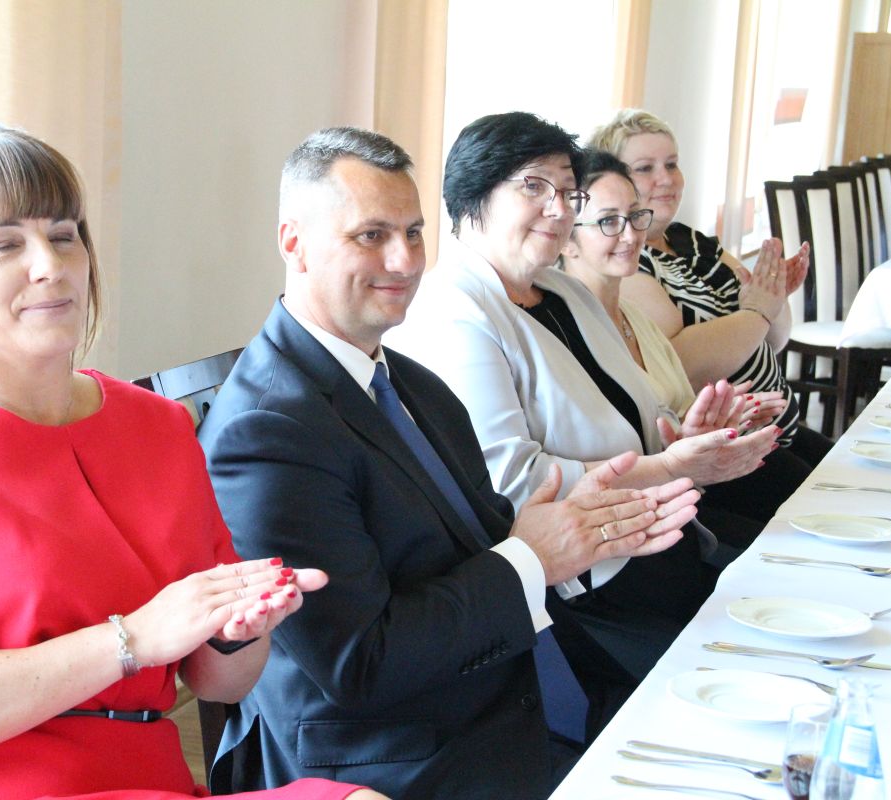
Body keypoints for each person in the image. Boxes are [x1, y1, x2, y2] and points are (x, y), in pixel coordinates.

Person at [0, 120, 384, 800]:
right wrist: (131, 638)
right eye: (4, 244)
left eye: (63, 235)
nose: (49, 265)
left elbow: (219, 681)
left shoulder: (157, 425)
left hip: (147, 780)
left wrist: (237, 630)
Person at [198, 126, 700, 800]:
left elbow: (485, 542)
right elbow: (360, 662)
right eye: (371, 235)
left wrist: (574, 529)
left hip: (505, 693)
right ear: (294, 243)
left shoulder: (413, 383)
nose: (405, 260)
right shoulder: (266, 431)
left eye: (414, 232)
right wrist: (533, 557)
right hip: (389, 762)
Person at [387, 112, 779, 679]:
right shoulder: (452, 311)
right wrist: (671, 466)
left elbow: (639, 414)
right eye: (534, 187)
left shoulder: (564, 291)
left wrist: (685, 437)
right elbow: (513, 485)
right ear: (473, 195)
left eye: (568, 193)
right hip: (586, 584)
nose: (558, 209)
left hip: (661, 531)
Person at [590, 109, 831, 495]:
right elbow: (681, 362)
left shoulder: (692, 241)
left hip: (776, 428)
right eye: (646, 168)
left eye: (671, 164)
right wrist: (758, 309)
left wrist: (775, 297)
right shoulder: (627, 262)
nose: (665, 178)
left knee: (858, 481)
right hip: (725, 449)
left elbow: (773, 339)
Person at [560, 149, 795, 536]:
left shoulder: (635, 319)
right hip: (642, 512)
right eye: (608, 222)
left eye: (635, 216)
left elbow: (677, 413)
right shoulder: (566, 331)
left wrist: (721, 420)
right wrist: (685, 446)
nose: (631, 234)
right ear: (566, 239)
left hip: (691, 484)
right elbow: (608, 453)